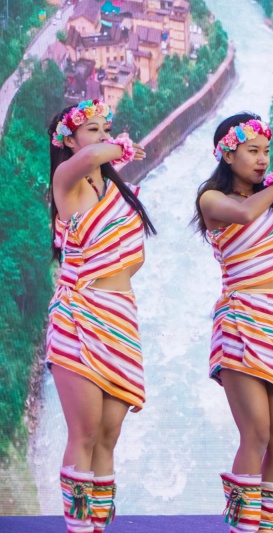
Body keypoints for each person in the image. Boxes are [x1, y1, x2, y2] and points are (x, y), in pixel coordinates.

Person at [193, 113, 273, 533]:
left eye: (266, 152)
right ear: (228, 155)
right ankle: (243, 528)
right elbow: (244, 214)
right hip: (241, 319)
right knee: (256, 433)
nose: (262, 159)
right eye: (252, 151)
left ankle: (269, 527)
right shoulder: (212, 199)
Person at [46, 99, 153, 532]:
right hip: (80, 317)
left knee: (108, 437)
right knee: (85, 432)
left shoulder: (114, 189)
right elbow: (91, 158)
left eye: (105, 129)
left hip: (120, 317)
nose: (103, 137)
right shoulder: (66, 181)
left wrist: (114, 151)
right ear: (69, 140)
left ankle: (97, 527)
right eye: (92, 129)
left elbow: (132, 254)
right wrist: (119, 148)